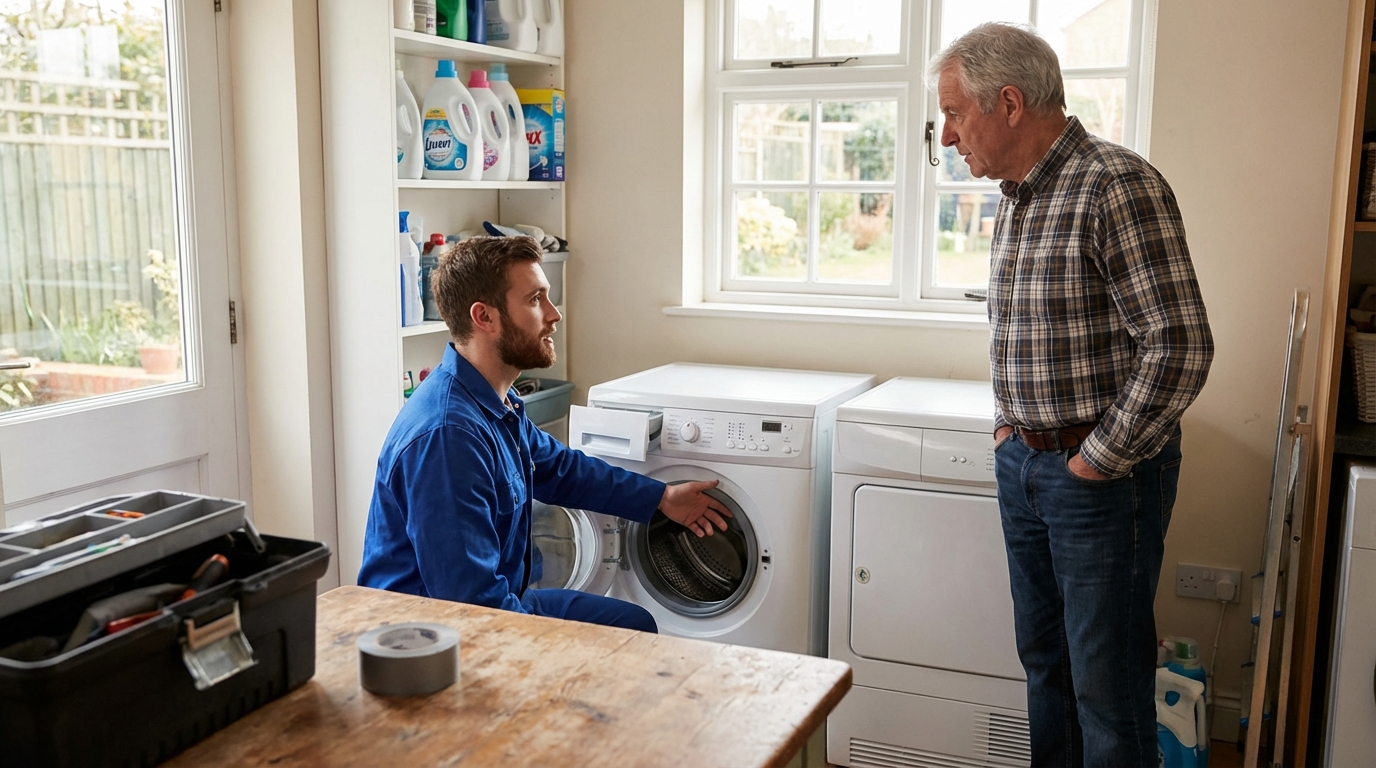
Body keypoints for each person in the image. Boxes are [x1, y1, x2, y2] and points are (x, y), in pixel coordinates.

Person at [929, 23, 1214, 767]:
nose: (949, 135)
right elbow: (1021, 330)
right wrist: (1007, 430)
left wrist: (1093, 461)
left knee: (1106, 686)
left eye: (956, 113)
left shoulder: (1115, 185)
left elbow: (1179, 345)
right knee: (1046, 668)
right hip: (1025, 466)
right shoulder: (1016, 197)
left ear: (1010, 103)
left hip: (1099, 479)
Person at [358, 235, 731, 632]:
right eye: (536, 299)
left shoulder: (493, 399)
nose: (555, 314)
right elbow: (469, 605)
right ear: (484, 317)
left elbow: (561, 469)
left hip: (496, 602)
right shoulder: (449, 438)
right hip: (429, 639)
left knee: (632, 624)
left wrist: (661, 497)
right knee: (616, 646)